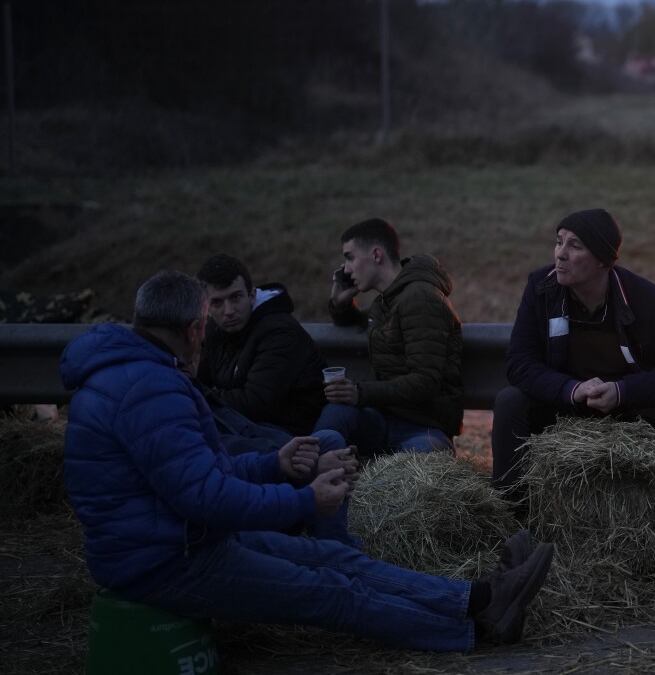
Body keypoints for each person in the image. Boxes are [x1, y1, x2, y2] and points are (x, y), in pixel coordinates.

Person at [61, 270, 553, 650]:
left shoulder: (137, 374)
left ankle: (480, 598)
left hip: (178, 538)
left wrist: (274, 464)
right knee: (328, 592)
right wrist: (303, 500)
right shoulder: (150, 388)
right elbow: (205, 498)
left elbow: (197, 475)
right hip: (162, 560)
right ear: (193, 329)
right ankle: (476, 632)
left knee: (333, 557)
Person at [492, 208, 655, 504]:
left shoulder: (647, 298)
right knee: (509, 401)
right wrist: (570, 389)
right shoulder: (541, 288)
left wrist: (623, 392)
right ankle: (510, 511)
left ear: (602, 260)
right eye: (559, 242)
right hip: (567, 403)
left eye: (575, 246)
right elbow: (519, 362)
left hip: (632, 406)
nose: (560, 254)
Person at [325, 218, 464, 455]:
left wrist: (360, 393)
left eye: (350, 257)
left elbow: (425, 382)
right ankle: (313, 487)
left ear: (376, 255)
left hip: (424, 430)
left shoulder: (421, 298)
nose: (346, 269)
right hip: (384, 419)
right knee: (334, 417)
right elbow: (372, 325)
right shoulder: (385, 301)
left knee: (401, 478)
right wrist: (341, 304)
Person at [195, 253, 340, 454]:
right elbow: (197, 380)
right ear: (206, 306)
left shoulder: (279, 331)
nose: (229, 311)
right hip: (249, 425)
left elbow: (254, 403)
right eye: (217, 303)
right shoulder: (213, 329)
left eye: (236, 297)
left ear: (252, 295)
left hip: (292, 433)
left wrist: (198, 396)